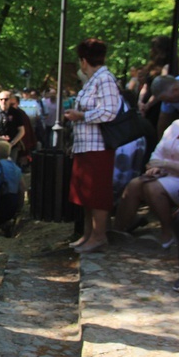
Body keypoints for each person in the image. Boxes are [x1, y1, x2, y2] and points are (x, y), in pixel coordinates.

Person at [64, 38, 119, 253]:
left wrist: (81, 115)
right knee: (86, 194)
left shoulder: (104, 79)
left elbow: (109, 111)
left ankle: (99, 236)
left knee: (97, 195)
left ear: (84, 60)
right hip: (85, 146)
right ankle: (88, 235)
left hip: (98, 147)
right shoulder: (93, 80)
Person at [113, 117, 179, 248]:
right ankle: (118, 231)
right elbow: (158, 152)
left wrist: (166, 164)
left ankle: (168, 231)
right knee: (135, 184)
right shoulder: (177, 124)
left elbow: (164, 162)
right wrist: (154, 168)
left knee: (152, 188)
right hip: (166, 174)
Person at [0, 90, 25, 163]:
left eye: (6, 99)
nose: (3, 101)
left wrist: (12, 143)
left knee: (10, 168)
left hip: (12, 147)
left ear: (10, 100)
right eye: (1, 99)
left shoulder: (16, 113)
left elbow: (21, 131)